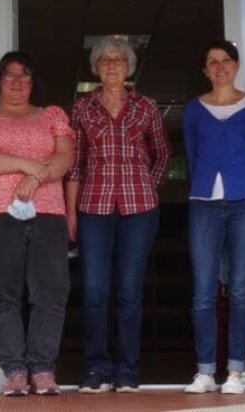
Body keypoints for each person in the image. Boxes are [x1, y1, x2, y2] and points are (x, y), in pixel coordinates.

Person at [0, 51, 75, 396]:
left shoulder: (52, 115)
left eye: (24, 75)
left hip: (48, 212)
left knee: (51, 292)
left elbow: (65, 157)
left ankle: (42, 370)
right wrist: (29, 166)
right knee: (3, 294)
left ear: (33, 81)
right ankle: (14, 372)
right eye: (9, 76)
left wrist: (36, 181)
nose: (17, 82)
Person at [66, 35, 170, 394]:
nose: (112, 64)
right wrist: (71, 213)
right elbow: (75, 164)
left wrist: (148, 187)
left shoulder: (147, 107)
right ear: (96, 68)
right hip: (94, 207)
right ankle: (96, 370)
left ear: (129, 68)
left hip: (139, 209)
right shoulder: (82, 108)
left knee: (129, 292)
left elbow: (161, 154)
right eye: (105, 59)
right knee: (95, 291)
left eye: (119, 59)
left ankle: (127, 371)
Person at [182, 40, 245, 395]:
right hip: (204, 201)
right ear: (205, 70)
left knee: (239, 288)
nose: (219, 67)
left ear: (236, 66)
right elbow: (192, 155)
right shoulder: (194, 109)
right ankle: (205, 372)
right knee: (203, 290)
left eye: (225, 61)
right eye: (212, 62)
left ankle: (235, 372)